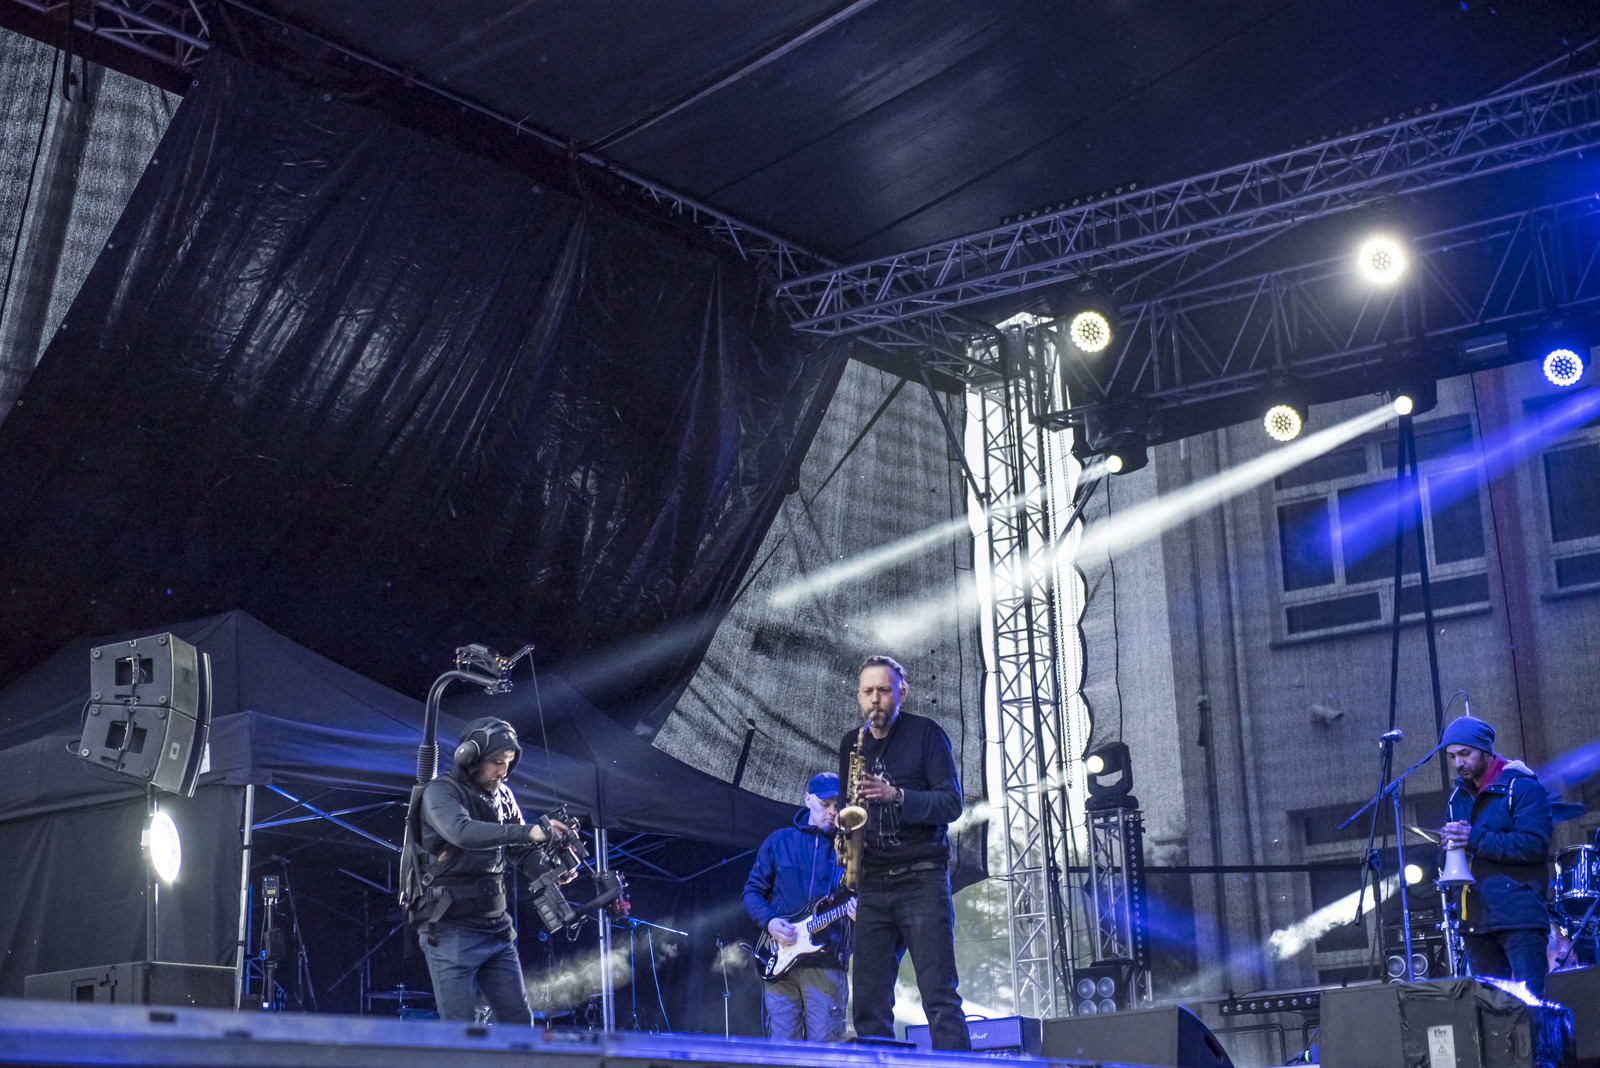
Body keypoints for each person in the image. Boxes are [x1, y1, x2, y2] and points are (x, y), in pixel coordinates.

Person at [838, 655, 970, 1051]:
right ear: (858, 696)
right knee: (867, 1004)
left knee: (939, 996)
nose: (875, 699)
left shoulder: (926, 734)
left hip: (922, 877)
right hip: (873, 883)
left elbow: (951, 804)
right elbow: (848, 807)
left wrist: (895, 795)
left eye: (884, 690)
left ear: (903, 693)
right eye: (868, 691)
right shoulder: (852, 744)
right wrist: (846, 842)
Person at [413, 717, 569, 1023]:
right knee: (460, 1032)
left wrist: (549, 870)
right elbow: (462, 832)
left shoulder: (503, 795)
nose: (503, 771)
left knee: (519, 1025)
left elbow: (521, 852)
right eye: (497, 762)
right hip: (451, 931)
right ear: (470, 758)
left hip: (496, 929)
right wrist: (529, 832)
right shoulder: (440, 792)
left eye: (509, 762)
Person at [1439, 714, 1553, 998]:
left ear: (1485, 750)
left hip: (1520, 919)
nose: (1458, 763)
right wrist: (1447, 847)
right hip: (1476, 920)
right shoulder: (1457, 798)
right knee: (1490, 1011)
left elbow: (1534, 845)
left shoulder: (1523, 787)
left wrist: (1473, 838)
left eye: (1465, 753)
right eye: (1452, 757)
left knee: (1530, 1007)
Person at [742, 771, 854, 1041]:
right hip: (779, 961)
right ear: (807, 800)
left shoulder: (851, 849)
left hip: (826, 964)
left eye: (837, 805)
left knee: (827, 1051)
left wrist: (859, 910)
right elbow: (752, 892)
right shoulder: (779, 841)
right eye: (825, 804)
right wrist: (769, 922)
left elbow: (865, 896)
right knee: (782, 1050)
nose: (832, 812)